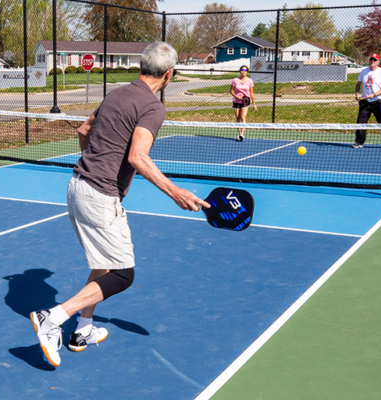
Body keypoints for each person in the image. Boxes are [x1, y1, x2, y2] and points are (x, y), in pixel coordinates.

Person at [29, 42, 209, 367]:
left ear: (142, 65)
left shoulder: (116, 93)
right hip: (100, 195)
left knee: (103, 265)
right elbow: (137, 157)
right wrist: (176, 192)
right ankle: (52, 318)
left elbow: (84, 129)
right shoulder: (153, 107)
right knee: (123, 275)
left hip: (76, 185)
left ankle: (82, 329)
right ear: (169, 74)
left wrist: (92, 159)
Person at [353, 54, 381, 149]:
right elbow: (358, 84)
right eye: (371, 59)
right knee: (361, 122)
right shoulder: (364, 71)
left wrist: (374, 94)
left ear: (378, 62)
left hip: (377, 101)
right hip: (365, 102)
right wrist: (357, 94)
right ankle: (359, 142)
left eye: (374, 60)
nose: (372, 61)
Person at [230, 65, 257, 142]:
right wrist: (236, 96)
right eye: (242, 70)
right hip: (236, 101)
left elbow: (251, 93)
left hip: (246, 100)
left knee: (243, 117)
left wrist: (254, 104)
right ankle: (240, 134)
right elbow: (231, 91)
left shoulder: (250, 81)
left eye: (245, 70)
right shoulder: (235, 80)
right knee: (238, 117)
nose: (243, 71)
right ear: (240, 71)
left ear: (247, 72)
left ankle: (242, 134)